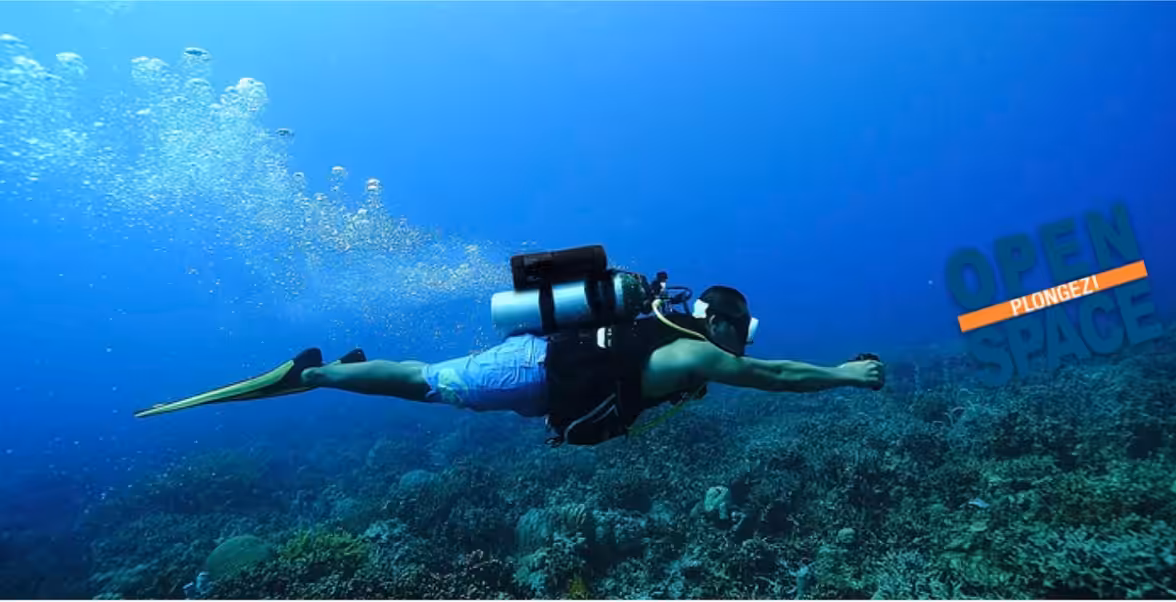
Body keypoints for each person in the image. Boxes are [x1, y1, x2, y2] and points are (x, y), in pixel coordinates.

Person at [135, 246, 885, 446]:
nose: (738, 345)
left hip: (548, 377)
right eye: (738, 331)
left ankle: (350, 372)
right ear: (723, 324)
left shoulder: (673, 331)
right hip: (533, 368)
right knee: (433, 383)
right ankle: (320, 373)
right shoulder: (703, 354)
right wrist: (848, 377)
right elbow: (778, 376)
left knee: (435, 384)